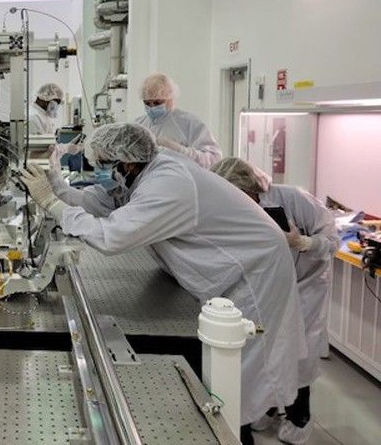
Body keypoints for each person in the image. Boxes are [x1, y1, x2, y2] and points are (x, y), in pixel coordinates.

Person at [21, 123, 304, 443]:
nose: (99, 172)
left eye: (103, 165)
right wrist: (56, 186)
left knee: (233, 382)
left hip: (254, 273)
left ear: (125, 163)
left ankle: (233, 434)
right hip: (234, 266)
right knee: (227, 376)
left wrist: (53, 205)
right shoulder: (144, 170)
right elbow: (100, 204)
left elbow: (111, 236)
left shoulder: (168, 184)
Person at [212, 157, 338, 444]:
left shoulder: (293, 198)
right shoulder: (235, 208)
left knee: (300, 355)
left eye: (240, 197)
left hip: (306, 287)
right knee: (266, 349)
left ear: (252, 188)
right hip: (268, 287)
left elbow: (332, 237)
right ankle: (268, 406)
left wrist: (303, 243)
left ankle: (298, 419)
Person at [134, 73, 222, 168]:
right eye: (147, 103)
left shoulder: (188, 122)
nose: (152, 107)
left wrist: (180, 150)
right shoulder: (138, 125)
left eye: (158, 102)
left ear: (170, 98)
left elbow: (214, 159)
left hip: (183, 179)